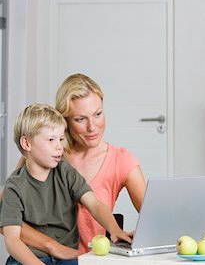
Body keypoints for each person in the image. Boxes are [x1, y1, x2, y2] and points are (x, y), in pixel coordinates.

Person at [3, 73, 147, 258]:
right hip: (40, 257)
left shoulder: (120, 160)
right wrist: (52, 246)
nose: (92, 127)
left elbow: (154, 222)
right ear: (64, 121)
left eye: (98, 114)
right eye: (80, 119)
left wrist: (118, 231)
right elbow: (6, 214)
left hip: (87, 259)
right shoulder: (45, 156)